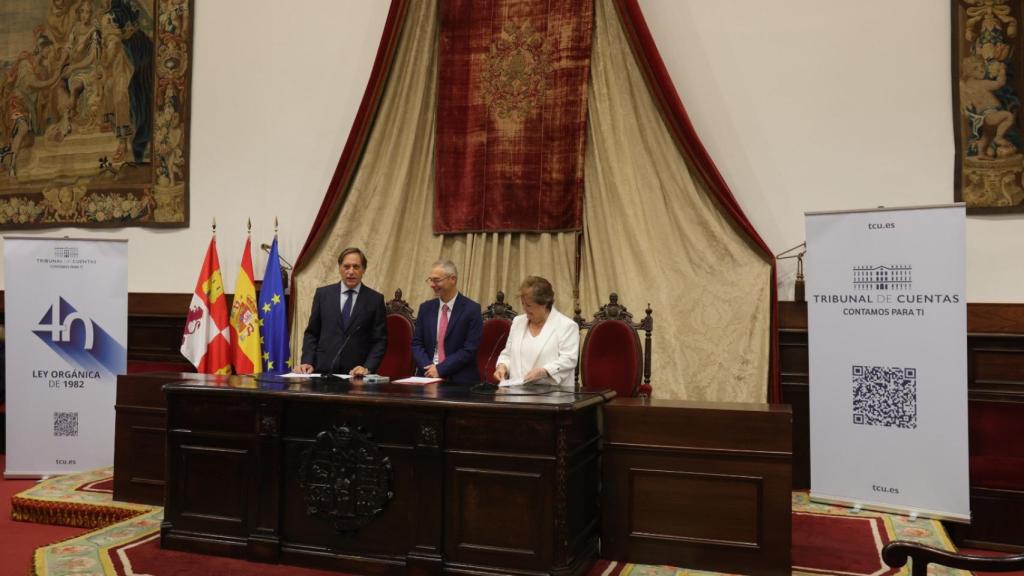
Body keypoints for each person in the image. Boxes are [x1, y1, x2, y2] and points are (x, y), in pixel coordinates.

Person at [297, 247, 387, 376]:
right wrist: (307, 361)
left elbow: (380, 340)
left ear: (363, 270)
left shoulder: (375, 299)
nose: (351, 271)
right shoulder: (323, 295)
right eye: (346, 266)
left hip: (356, 374)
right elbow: (312, 333)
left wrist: (367, 367)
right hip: (323, 371)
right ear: (340, 268)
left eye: (356, 267)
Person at [493, 276, 579, 388]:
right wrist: (502, 366)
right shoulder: (518, 322)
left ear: (544, 304)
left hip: (553, 397)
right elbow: (508, 354)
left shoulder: (567, 326)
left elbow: (568, 360)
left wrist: (544, 371)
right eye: (523, 303)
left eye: (529, 305)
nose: (524, 308)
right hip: (517, 396)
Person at [411, 259, 482, 384]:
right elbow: (417, 344)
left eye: (436, 280)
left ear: (453, 279)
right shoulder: (425, 308)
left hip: (459, 379)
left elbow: (469, 349)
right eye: (430, 280)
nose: (432, 285)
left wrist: (440, 369)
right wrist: (429, 368)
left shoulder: (472, 309)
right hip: (426, 376)